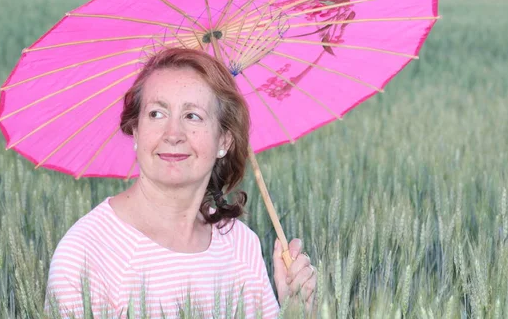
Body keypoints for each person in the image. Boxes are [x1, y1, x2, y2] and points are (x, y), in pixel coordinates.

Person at [45, 47, 317, 318]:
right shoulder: (85, 255)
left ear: (223, 141)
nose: (173, 134)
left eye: (192, 116)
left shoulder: (240, 244)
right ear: (136, 132)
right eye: (156, 114)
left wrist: (295, 311)